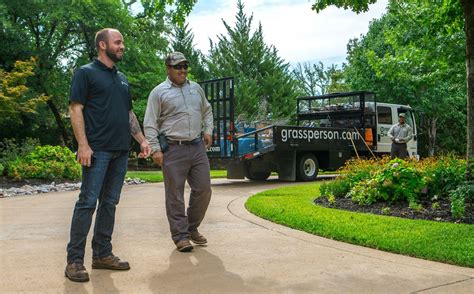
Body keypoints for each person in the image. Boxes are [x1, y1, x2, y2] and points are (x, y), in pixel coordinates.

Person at [65, 28, 151, 282]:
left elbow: (128, 114)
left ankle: (102, 254)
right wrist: (83, 145)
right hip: (97, 150)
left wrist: (142, 140)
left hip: (121, 151)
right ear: (102, 45)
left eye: (122, 42)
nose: (122, 46)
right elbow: (75, 108)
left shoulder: (122, 78)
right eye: (118, 42)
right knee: (87, 202)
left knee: (110, 203)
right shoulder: (86, 73)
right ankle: (74, 261)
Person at [144, 52, 213, 253]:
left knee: (204, 189)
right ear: (168, 69)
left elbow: (207, 111)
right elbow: (150, 123)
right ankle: (180, 236)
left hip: (197, 146)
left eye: (184, 66)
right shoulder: (159, 92)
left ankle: (191, 228)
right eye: (177, 67)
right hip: (173, 148)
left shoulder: (196, 89)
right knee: (175, 195)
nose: (182, 70)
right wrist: (155, 149)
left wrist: (208, 130)